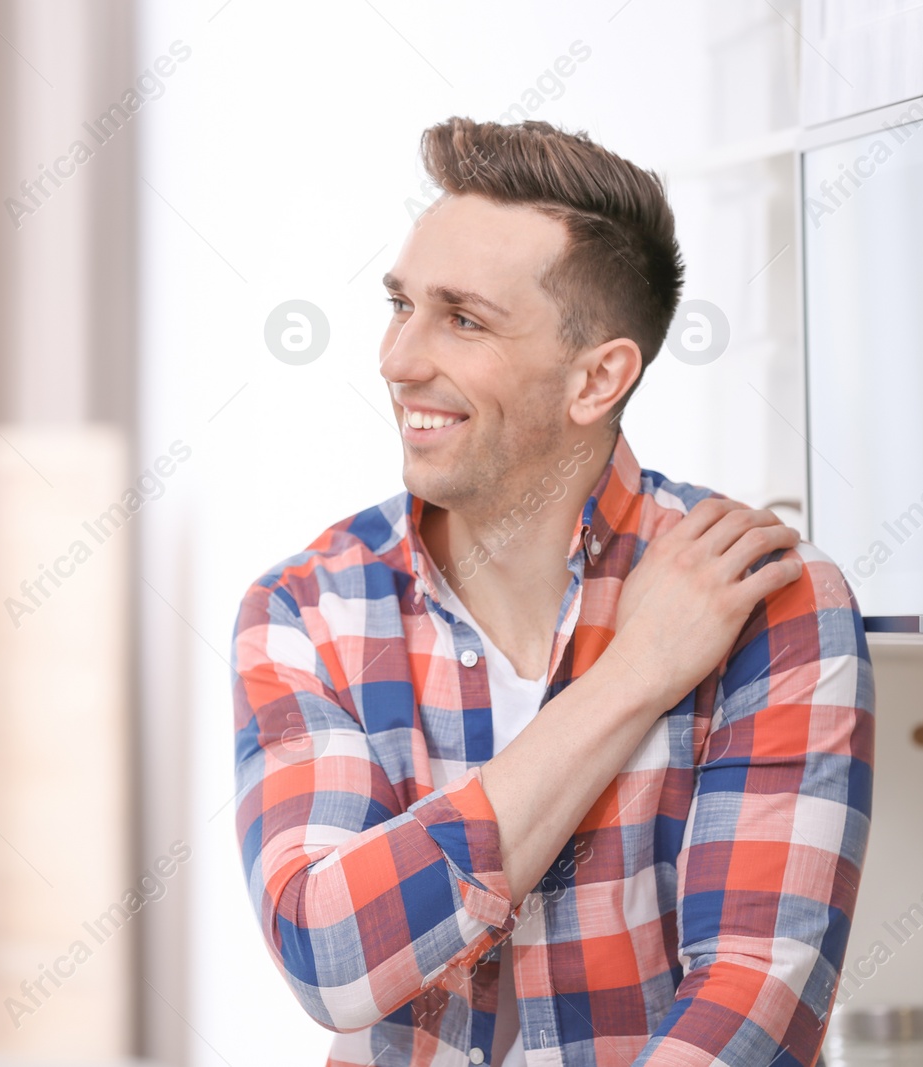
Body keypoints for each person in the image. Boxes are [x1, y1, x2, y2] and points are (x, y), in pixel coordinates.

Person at [232, 115, 874, 1067]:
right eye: (399, 303)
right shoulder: (308, 609)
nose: (397, 358)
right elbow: (328, 956)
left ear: (597, 378)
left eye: (462, 319)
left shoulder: (767, 601)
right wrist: (632, 677)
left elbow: (754, 997)